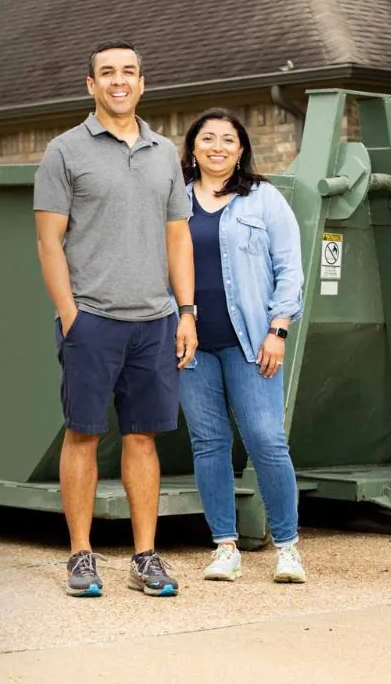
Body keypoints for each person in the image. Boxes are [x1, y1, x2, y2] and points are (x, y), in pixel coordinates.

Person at [33, 41, 198, 598]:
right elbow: (49, 241)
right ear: (91, 84)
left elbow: (179, 238)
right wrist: (71, 315)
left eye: (128, 72)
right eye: (107, 73)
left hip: (154, 321)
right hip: (93, 320)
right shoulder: (64, 151)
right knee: (82, 435)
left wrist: (186, 311)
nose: (118, 81)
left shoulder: (163, 153)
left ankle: (145, 557)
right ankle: (81, 557)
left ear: (142, 83)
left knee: (143, 439)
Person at [175, 107, 307, 584]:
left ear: (241, 150)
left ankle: (288, 548)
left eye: (228, 140)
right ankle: (225, 546)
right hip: (190, 344)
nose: (217, 147)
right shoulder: (174, 201)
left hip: (253, 342)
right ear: (193, 147)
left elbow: (291, 267)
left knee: (266, 439)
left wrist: (280, 328)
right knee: (208, 443)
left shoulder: (264, 199)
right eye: (207, 138)